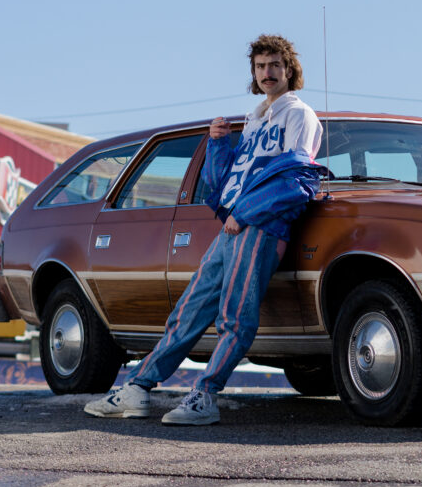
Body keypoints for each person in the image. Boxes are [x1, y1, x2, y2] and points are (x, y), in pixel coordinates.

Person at [85, 34, 323, 425]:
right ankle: (138, 389)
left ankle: (206, 396)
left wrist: (245, 213)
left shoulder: (300, 115)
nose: (267, 73)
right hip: (231, 227)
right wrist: (217, 145)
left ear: (289, 69)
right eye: (261, 66)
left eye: (275, 65)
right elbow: (223, 184)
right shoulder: (254, 117)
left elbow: (297, 179)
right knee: (190, 309)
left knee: (234, 316)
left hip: (262, 227)